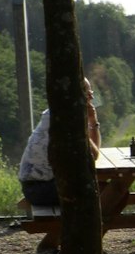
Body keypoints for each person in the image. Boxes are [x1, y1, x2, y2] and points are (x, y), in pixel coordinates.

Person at [16, 78, 101, 209]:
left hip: (37, 186)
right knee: (108, 188)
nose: (91, 96)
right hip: (41, 189)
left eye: (91, 91)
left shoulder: (58, 112)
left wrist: (92, 121)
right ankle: (90, 226)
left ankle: (92, 225)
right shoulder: (66, 118)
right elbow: (93, 155)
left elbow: (92, 154)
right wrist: (91, 120)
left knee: (102, 186)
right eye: (86, 92)